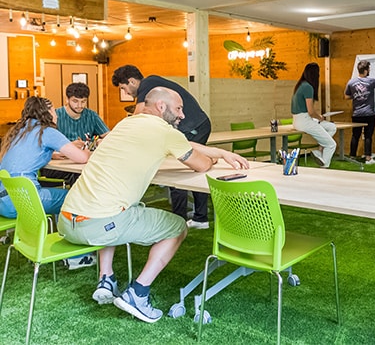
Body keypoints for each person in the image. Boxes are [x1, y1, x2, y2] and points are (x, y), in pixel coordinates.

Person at [57, 87, 249, 323]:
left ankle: (106, 278)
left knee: (121, 206)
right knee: (178, 227)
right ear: (161, 106)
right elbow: (201, 165)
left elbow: (183, 143)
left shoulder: (124, 125)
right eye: (178, 109)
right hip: (100, 225)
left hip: (67, 221)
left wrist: (218, 151)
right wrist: (215, 158)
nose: (182, 116)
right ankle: (138, 293)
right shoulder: (165, 133)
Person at [111, 65, 211, 230]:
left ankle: (179, 220)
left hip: (194, 126)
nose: (126, 93)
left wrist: (115, 135)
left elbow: (138, 116)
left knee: (178, 173)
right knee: (194, 169)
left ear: (131, 81)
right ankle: (200, 218)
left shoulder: (148, 84)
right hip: (199, 124)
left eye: (124, 88)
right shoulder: (152, 82)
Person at [0, 97, 90, 218]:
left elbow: (27, 154)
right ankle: (68, 233)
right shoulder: (46, 131)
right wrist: (87, 150)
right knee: (74, 198)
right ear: (48, 113)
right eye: (54, 111)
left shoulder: (19, 131)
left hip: (4, 201)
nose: (57, 116)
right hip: (23, 201)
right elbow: (82, 158)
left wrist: (52, 154)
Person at [41, 82, 110, 189]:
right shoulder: (55, 116)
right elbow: (42, 145)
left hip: (83, 163)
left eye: (83, 102)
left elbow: (107, 136)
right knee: (80, 177)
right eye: (75, 101)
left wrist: (98, 142)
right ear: (67, 99)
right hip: (58, 166)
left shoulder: (91, 115)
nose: (80, 105)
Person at [291, 63, 337, 168]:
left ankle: (320, 151)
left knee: (331, 127)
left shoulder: (301, 85)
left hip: (298, 120)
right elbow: (311, 111)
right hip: (305, 121)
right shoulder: (308, 87)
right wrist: (321, 118)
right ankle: (324, 165)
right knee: (331, 145)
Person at [344, 61, 375, 164]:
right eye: (368, 69)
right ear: (365, 71)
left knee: (355, 136)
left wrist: (356, 96)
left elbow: (346, 96)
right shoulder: (371, 81)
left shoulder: (351, 82)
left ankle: (352, 156)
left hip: (356, 114)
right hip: (369, 114)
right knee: (368, 136)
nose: (369, 71)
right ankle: (368, 158)